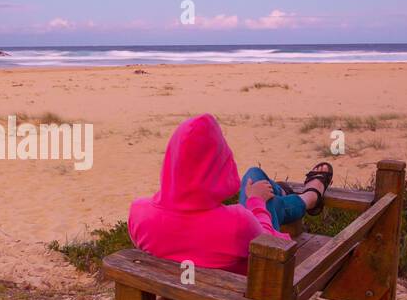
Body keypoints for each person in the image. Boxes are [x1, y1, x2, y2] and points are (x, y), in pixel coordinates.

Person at [128, 114, 332, 274]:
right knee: (257, 181)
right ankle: (309, 197)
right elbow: (277, 249)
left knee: (256, 178)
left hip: (180, 296)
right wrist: (256, 202)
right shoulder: (238, 222)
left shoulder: (139, 212)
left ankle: (287, 195)